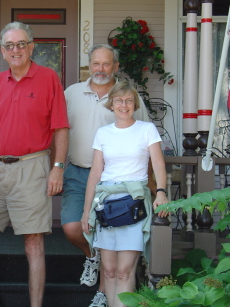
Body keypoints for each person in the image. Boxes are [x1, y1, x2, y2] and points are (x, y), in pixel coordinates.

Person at [0, 21, 69, 307]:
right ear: (2, 51)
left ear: (31, 46)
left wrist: (58, 167)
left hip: (32, 166)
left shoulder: (48, 78)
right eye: (10, 45)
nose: (16, 50)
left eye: (21, 44)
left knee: (33, 241)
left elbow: (61, 127)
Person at [62, 44, 152, 307]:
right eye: (95, 63)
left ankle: (103, 292)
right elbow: (59, 130)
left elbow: (145, 137)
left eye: (106, 64)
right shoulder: (72, 93)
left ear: (116, 66)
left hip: (115, 181)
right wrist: (56, 166)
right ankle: (93, 257)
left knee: (108, 235)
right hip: (79, 172)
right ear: (89, 65)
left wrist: (154, 186)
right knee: (71, 227)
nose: (100, 69)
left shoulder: (125, 95)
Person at [81, 81, 168, 307]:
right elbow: (95, 175)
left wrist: (161, 192)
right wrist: (86, 212)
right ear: (111, 105)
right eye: (119, 100)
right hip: (106, 206)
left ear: (135, 104)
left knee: (123, 270)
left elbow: (158, 165)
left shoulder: (146, 129)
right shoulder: (103, 133)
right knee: (108, 270)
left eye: (129, 100)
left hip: (133, 204)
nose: (123, 105)